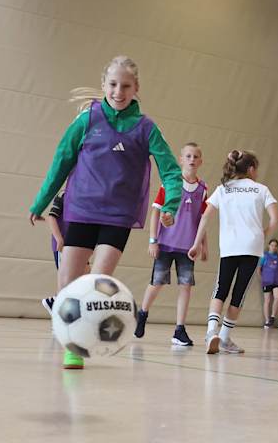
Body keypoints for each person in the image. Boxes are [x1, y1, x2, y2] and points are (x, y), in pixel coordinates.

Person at [29, 55, 183, 370]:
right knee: (68, 283)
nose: (118, 91)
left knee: (97, 281)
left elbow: (170, 169)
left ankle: (79, 347)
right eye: (112, 85)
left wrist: (171, 205)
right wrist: (40, 201)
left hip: (118, 216)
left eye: (125, 86)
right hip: (82, 210)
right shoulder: (87, 120)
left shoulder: (146, 128)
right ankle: (69, 339)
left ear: (136, 88)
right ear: (103, 86)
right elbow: (62, 159)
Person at [188, 150, 278, 355]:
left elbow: (205, 217)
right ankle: (225, 338)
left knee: (221, 289)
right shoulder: (261, 189)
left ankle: (212, 332)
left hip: (229, 247)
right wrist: (262, 234)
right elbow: (275, 219)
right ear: (251, 169)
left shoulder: (223, 189)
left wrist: (196, 244)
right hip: (252, 248)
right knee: (238, 294)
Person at [134, 143, 208, 346]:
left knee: (186, 287)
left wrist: (203, 244)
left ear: (201, 161)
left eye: (196, 156)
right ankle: (142, 314)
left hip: (188, 247)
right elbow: (155, 211)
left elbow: (203, 218)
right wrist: (153, 239)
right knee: (156, 283)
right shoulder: (170, 183)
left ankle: (179, 330)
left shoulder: (203, 189)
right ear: (181, 159)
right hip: (165, 244)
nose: (192, 159)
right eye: (188, 156)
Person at [259, 239, 278, 328]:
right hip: (266, 281)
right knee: (267, 300)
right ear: (269, 246)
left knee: (277, 297)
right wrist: (263, 277)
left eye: (275, 246)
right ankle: (267, 320)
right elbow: (259, 268)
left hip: (276, 281)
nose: (273, 247)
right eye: (272, 245)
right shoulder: (264, 256)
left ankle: (273, 316)